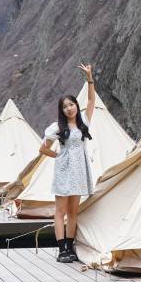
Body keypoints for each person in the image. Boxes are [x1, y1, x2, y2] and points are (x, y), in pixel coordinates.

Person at [39, 63, 96, 262]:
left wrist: (89, 77)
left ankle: (70, 247)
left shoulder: (83, 122)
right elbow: (43, 149)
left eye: (71, 104)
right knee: (60, 211)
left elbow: (91, 100)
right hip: (64, 170)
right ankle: (61, 249)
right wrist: (58, 156)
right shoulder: (56, 128)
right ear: (61, 110)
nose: (69, 108)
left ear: (76, 106)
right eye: (65, 107)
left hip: (79, 170)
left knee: (73, 212)